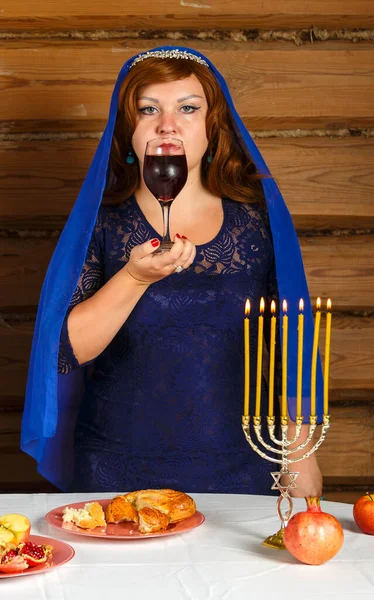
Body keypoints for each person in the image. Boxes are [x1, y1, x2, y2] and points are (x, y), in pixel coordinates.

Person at [21, 47, 324, 495]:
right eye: (149, 110)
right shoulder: (101, 222)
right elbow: (68, 352)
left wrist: (303, 461)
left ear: (211, 127)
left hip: (241, 464)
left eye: (187, 108)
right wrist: (134, 278)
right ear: (129, 131)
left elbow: (289, 347)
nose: (168, 123)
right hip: (115, 468)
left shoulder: (258, 220)